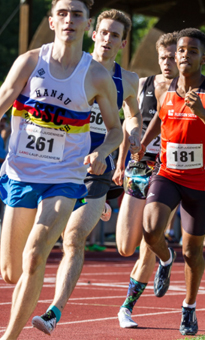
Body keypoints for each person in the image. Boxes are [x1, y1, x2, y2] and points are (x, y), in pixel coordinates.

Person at [0, 0, 124, 339]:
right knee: (11, 271)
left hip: (65, 177)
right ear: (52, 20)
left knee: (37, 253)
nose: (70, 20)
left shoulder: (97, 75)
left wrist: (102, 151)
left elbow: (116, 130)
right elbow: (3, 98)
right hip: (21, 174)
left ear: (88, 25)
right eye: (63, 14)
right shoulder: (29, 62)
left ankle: (9, 336)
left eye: (78, 14)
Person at [31, 8, 142, 336]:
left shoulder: (129, 80)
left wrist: (133, 129)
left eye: (115, 36)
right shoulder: (69, 68)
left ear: (123, 43)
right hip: (59, 165)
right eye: (104, 32)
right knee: (47, 238)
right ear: (94, 34)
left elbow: (132, 115)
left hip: (98, 169)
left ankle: (54, 312)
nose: (108, 40)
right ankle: (98, 208)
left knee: (75, 238)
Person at [139, 28, 205, 336]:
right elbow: (159, 118)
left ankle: (188, 308)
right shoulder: (167, 90)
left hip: (197, 184)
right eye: (181, 50)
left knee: (193, 253)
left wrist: (202, 113)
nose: (185, 55)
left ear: (203, 57)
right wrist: (141, 144)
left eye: (192, 51)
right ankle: (165, 258)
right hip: (167, 174)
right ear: (174, 56)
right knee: (149, 229)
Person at [113, 32, 178, 328]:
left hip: (170, 172)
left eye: (173, 57)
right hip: (138, 169)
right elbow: (129, 127)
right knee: (125, 246)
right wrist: (119, 162)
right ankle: (168, 255)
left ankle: (126, 308)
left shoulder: (191, 92)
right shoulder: (142, 85)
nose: (167, 62)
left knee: (149, 241)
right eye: (163, 57)